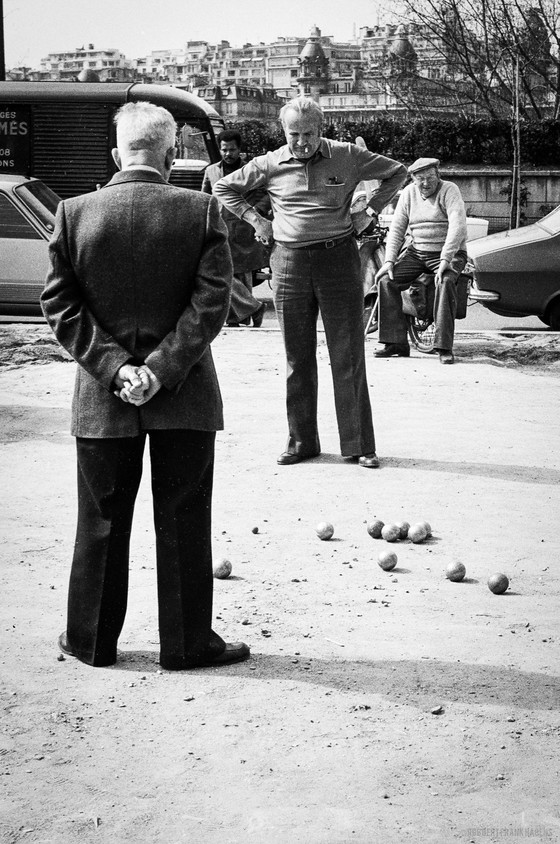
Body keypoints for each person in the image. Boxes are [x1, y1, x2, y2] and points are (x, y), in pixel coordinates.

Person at [40, 102, 250, 670]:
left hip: (101, 399)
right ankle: (185, 644)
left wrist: (116, 368)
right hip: (184, 394)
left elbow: (60, 305)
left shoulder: (73, 214)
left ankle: (90, 641)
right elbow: (211, 306)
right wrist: (158, 369)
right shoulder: (202, 211)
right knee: (183, 515)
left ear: (116, 154)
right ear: (172, 154)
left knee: (101, 518)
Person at [214, 97, 407, 468]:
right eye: (293, 134)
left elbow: (397, 172)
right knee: (296, 356)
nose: (301, 142)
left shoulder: (348, 155)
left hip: (338, 259)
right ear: (283, 132)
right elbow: (225, 188)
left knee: (347, 353)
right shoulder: (270, 162)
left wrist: (369, 211)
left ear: (321, 129)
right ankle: (302, 442)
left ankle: (359, 444)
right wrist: (258, 221)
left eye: (308, 133)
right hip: (289, 264)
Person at [374, 157, 468, 365]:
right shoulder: (408, 193)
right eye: (420, 179)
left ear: (438, 176)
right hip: (417, 253)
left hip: (448, 253)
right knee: (386, 281)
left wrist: (446, 258)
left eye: (430, 178)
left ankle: (444, 346)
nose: (425, 183)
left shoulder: (449, 190)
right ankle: (395, 343)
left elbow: (457, 224)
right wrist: (389, 261)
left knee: (445, 281)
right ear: (414, 180)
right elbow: (397, 228)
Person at [202, 129, 269, 327]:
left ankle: (240, 317)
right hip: (219, 230)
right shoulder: (211, 171)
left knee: (243, 276)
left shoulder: (251, 170)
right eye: (224, 150)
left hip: (245, 231)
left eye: (232, 149)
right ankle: (252, 309)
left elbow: (267, 195)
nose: (228, 154)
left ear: (239, 149)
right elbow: (205, 198)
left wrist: (256, 211)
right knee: (219, 273)